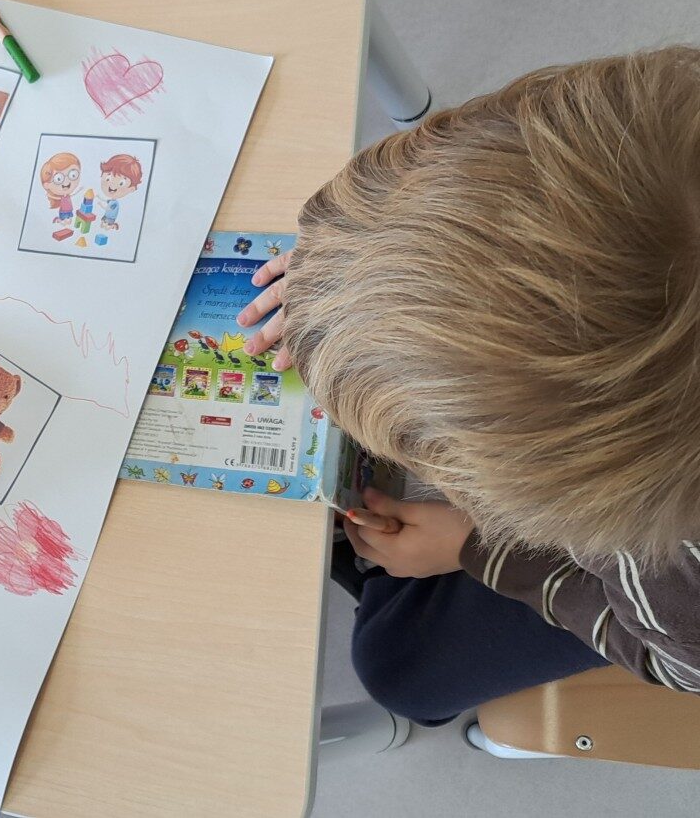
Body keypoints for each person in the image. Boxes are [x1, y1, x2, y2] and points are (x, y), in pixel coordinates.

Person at [235, 47, 700, 725]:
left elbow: (674, 662)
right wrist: (357, 269)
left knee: (400, 669)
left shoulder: (674, 589)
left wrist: (476, 548)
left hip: (637, 586)